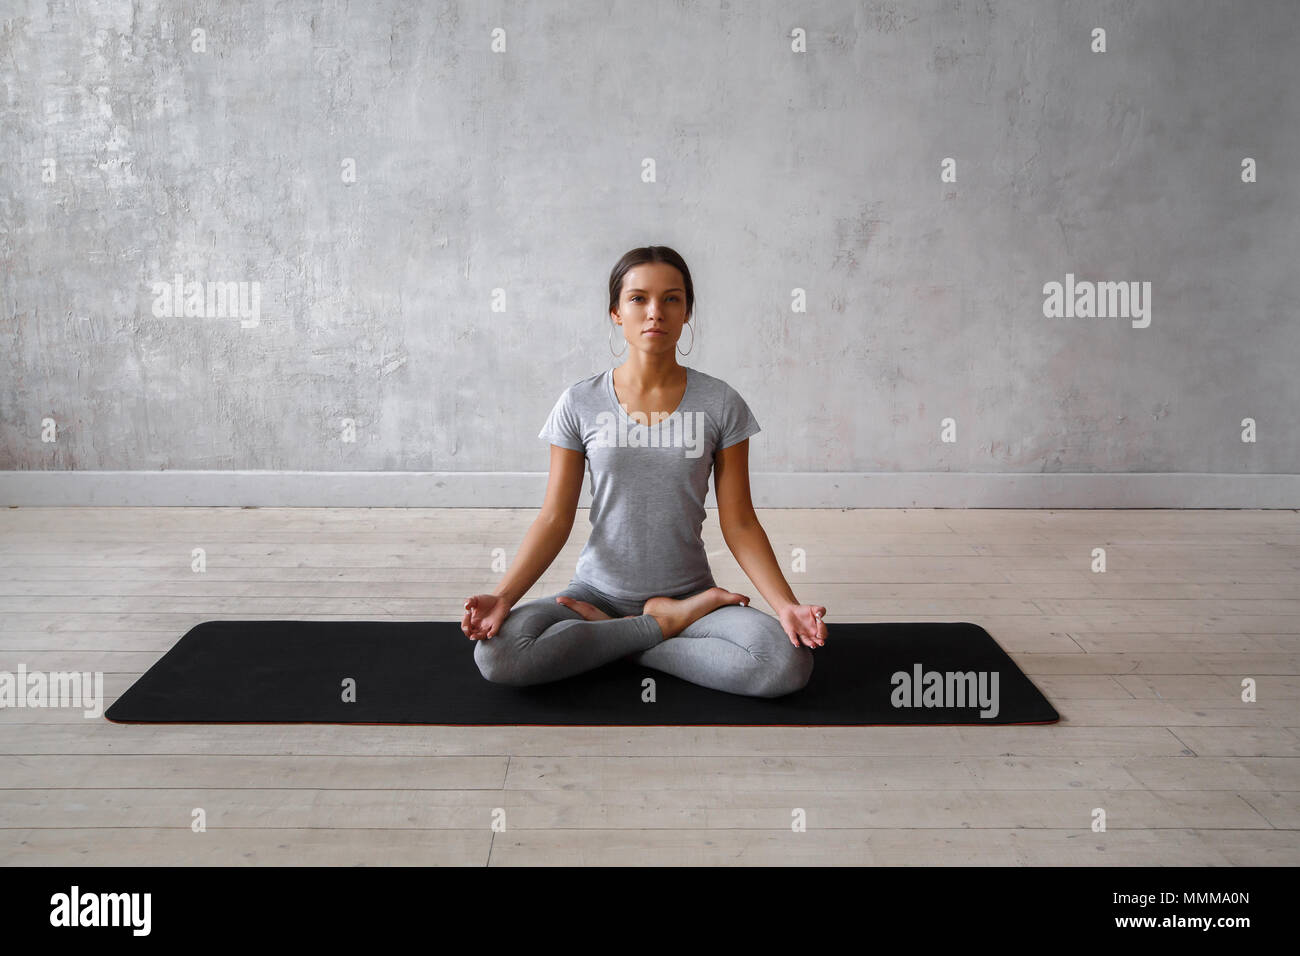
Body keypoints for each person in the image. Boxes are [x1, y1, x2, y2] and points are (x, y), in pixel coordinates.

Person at [462, 246, 828, 698]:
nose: (655, 312)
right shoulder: (579, 402)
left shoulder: (721, 403)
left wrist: (786, 605)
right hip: (593, 596)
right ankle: (658, 628)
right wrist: (504, 598)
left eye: (671, 299)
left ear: (687, 310)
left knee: (785, 663)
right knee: (497, 655)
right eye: (638, 299)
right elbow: (554, 518)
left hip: (692, 598)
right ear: (616, 312)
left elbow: (740, 521)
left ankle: (631, 636)